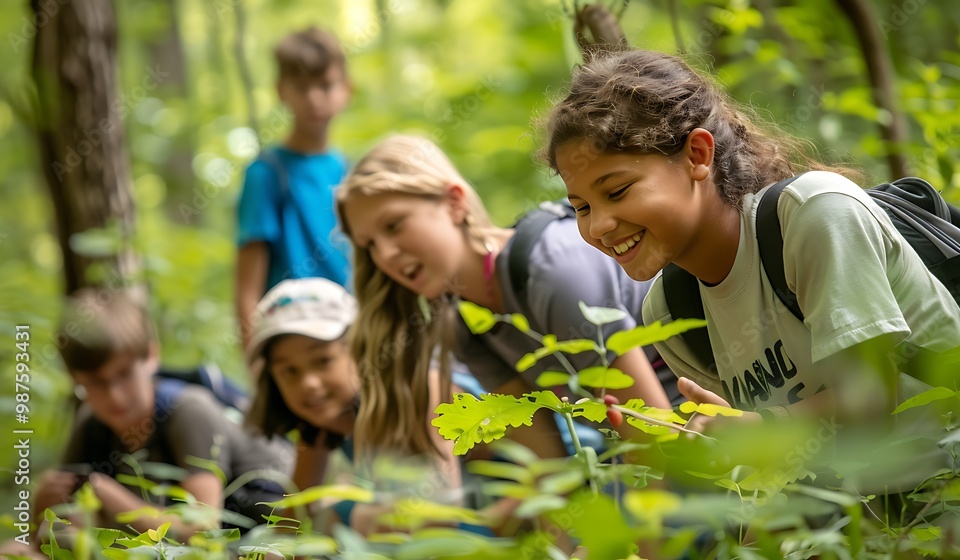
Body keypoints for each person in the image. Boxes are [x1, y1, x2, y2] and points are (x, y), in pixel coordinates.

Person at [543, 48, 960, 489]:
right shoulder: (670, 312)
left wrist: (759, 428)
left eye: (618, 191)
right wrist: (685, 452)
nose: (599, 225)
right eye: (581, 207)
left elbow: (871, 400)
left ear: (697, 156)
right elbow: (786, 467)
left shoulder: (815, 214)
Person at [335, 135, 677, 462]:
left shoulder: (551, 268)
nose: (386, 255)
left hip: (704, 440)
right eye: (370, 245)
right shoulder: (466, 324)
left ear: (454, 202)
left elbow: (653, 438)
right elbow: (546, 465)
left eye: (394, 225)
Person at [30, 290, 294, 550]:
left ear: (151, 356)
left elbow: (202, 531)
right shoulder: (91, 424)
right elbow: (52, 537)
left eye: (124, 374)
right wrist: (43, 506)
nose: (115, 396)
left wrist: (106, 495)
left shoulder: (189, 411)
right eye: (97, 383)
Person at [244, 278, 499, 536]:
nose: (308, 383)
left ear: (360, 347)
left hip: (500, 520)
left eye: (323, 360)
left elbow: (436, 516)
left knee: (336, 514)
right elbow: (294, 516)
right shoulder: (321, 422)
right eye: (289, 371)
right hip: (440, 529)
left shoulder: (416, 392)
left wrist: (345, 517)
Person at [236, 26, 353, 352]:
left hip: (349, 337)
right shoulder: (266, 174)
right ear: (281, 90)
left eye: (325, 85)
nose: (314, 98)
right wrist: (256, 360)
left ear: (346, 89)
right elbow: (247, 288)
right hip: (292, 341)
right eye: (302, 87)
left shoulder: (350, 171)